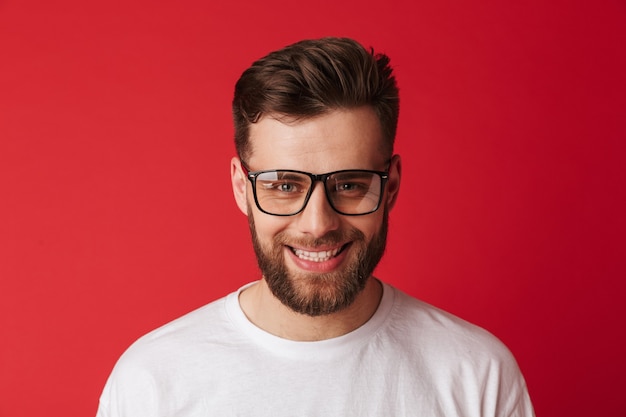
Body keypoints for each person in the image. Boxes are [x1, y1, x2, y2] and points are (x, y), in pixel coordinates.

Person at [96, 37, 535, 416]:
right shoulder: (152, 381)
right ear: (241, 188)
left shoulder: (477, 374)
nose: (317, 224)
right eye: (284, 185)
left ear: (393, 186)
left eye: (348, 184)